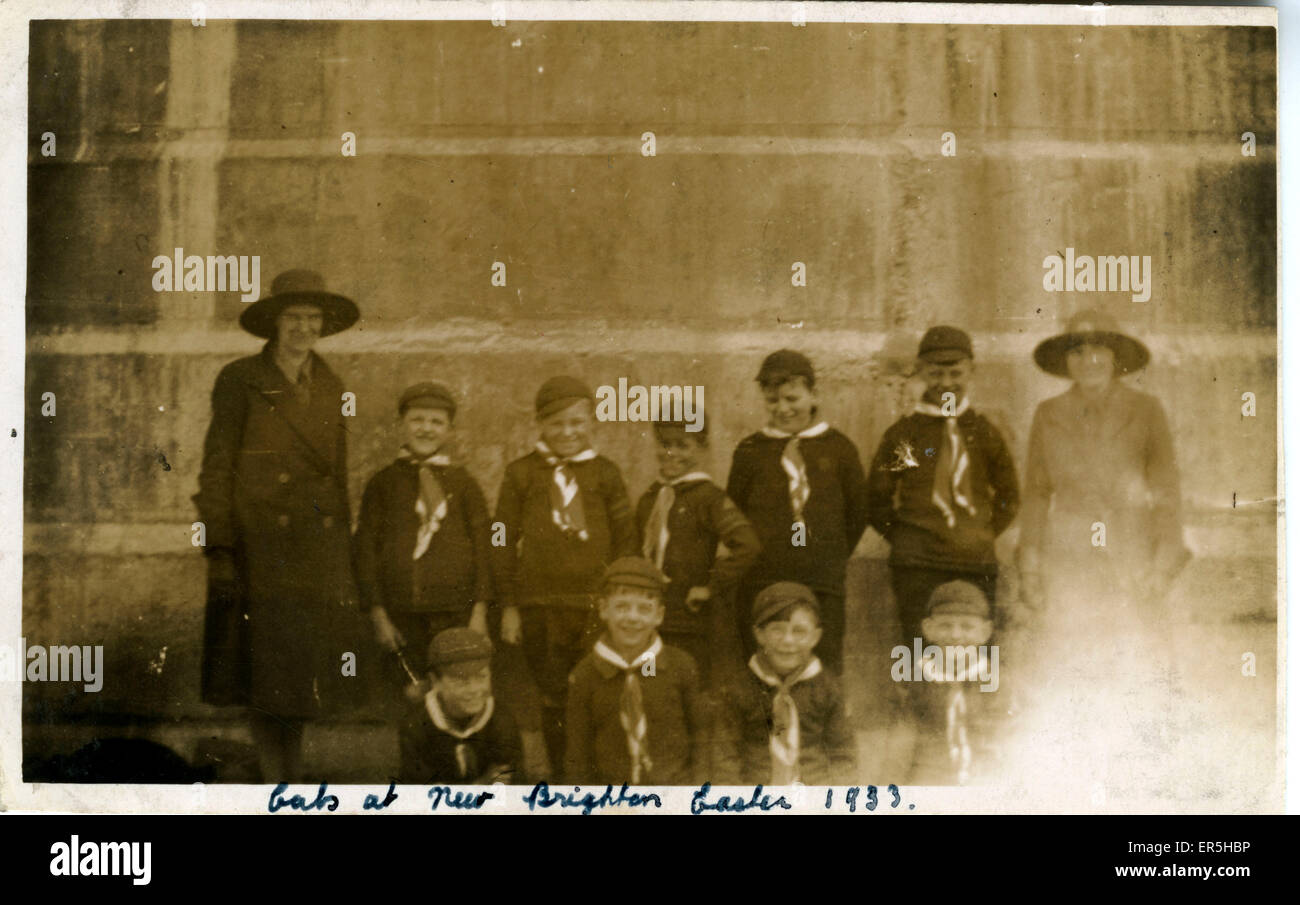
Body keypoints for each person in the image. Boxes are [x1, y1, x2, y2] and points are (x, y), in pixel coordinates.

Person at [194, 269, 362, 782]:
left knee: (300, 675)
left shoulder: (332, 385)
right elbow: (217, 466)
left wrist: (344, 558)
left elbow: (338, 477)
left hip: (314, 553)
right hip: (258, 550)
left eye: (313, 318)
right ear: (275, 323)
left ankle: (291, 774)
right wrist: (219, 548)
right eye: (294, 317)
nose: (304, 328)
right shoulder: (240, 379)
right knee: (263, 675)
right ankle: (272, 778)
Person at [1015, 308, 1191, 799]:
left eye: (1098, 349)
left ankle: (1149, 781)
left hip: (1132, 553)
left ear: (1115, 358)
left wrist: (1163, 561)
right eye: (1077, 350)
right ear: (1066, 360)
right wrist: (1030, 562)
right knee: (1071, 659)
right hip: (1070, 554)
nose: (1088, 359)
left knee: (1143, 661)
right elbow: (1034, 493)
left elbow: (1166, 490)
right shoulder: (1048, 414)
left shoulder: (1146, 409)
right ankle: (1073, 781)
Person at [493, 376, 639, 770]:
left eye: (577, 422)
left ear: (592, 422)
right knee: (553, 695)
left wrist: (620, 601)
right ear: (539, 425)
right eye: (556, 423)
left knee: (599, 689)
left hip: (596, 605)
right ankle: (562, 777)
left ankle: (600, 773)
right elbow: (501, 540)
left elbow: (627, 541)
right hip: (541, 606)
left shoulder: (605, 473)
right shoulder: (520, 473)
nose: (567, 432)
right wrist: (509, 605)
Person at [867, 326, 1019, 645]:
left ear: (971, 371)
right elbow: (875, 498)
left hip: (975, 563)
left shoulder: (984, 431)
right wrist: (908, 537)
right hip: (917, 566)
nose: (946, 383)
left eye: (955, 373)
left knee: (976, 655)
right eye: (936, 374)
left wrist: (981, 534)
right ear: (921, 372)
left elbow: (1010, 495)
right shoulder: (904, 435)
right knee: (920, 652)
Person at [726, 349, 870, 674]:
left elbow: (858, 513)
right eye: (772, 400)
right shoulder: (750, 452)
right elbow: (735, 514)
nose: (783, 409)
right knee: (762, 665)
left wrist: (828, 555)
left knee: (824, 665)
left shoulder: (840, 448)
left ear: (813, 394)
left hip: (822, 580)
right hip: (763, 579)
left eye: (792, 398)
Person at [354, 382, 494, 691]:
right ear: (402, 424)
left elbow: (485, 549)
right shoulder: (383, 484)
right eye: (418, 420)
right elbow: (364, 550)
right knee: (411, 694)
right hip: (401, 614)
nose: (426, 429)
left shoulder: (465, 484)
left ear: (449, 430)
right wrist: (378, 615)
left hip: (455, 611)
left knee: (455, 690)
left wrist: (479, 612)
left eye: (436, 422)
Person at [636, 415, 761, 687]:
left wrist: (710, 587)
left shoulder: (709, 498)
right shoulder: (650, 497)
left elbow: (747, 545)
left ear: (702, 449)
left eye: (683, 446)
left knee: (687, 684)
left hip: (689, 621)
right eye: (665, 444)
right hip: (648, 618)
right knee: (650, 684)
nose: (671, 453)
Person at [564, 557, 706, 785]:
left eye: (644, 609)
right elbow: (577, 756)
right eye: (621, 607)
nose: (632, 617)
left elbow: (703, 741)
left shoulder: (681, 666)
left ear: (658, 615)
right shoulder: (585, 674)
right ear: (603, 609)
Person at [713, 582, 857, 786]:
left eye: (799, 631)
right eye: (777, 630)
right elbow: (725, 759)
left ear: (815, 637)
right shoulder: (739, 688)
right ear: (759, 635)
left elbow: (844, 755)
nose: (788, 640)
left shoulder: (828, 689)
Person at [398, 628, 520, 785]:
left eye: (482, 677)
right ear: (435, 681)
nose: (474, 689)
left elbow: (507, 786)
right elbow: (422, 792)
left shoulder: (501, 720)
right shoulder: (415, 725)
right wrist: (482, 783)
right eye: (460, 681)